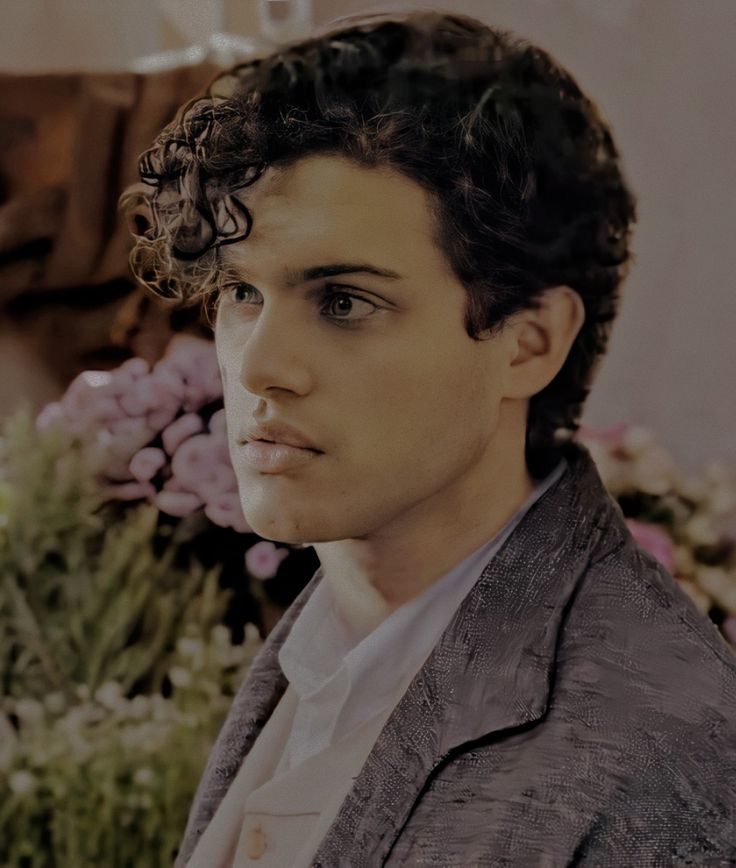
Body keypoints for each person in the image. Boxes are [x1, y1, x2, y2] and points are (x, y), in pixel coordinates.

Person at [125, 9, 736, 866]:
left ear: (529, 342)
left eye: (342, 301)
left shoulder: (665, 746)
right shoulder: (325, 651)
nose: (259, 366)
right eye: (239, 294)